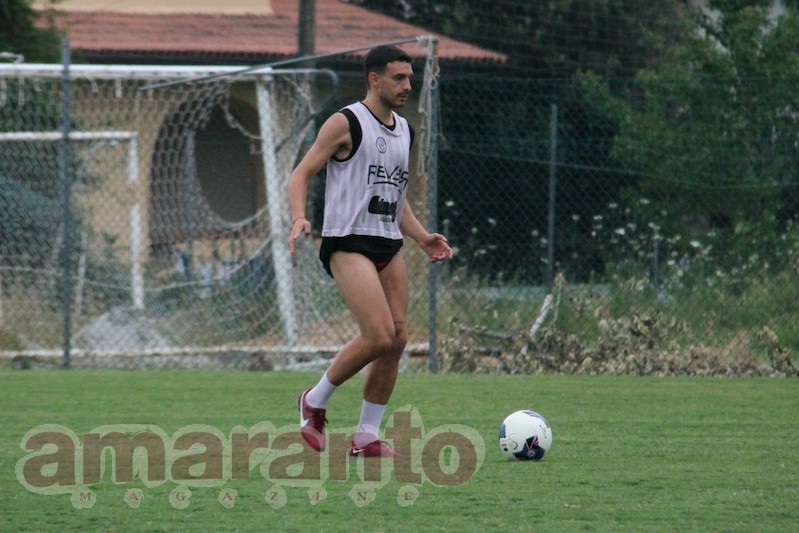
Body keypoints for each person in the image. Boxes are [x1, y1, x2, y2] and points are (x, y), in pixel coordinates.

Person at [286, 45, 453, 458]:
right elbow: (300, 174)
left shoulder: (405, 130)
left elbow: (395, 196)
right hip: (347, 241)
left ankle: (366, 437)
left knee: (396, 340)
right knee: (378, 334)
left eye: (410, 78)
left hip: (388, 243)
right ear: (374, 79)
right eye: (398, 78)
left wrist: (421, 237)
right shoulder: (346, 122)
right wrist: (299, 217)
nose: (407, 85)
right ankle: (314, 400)